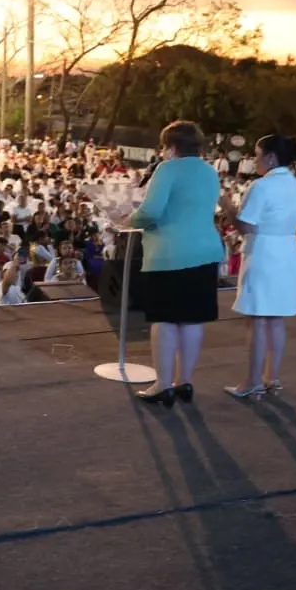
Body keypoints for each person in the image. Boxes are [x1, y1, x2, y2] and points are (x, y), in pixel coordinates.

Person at [116, 120, 223, 408]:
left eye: (164, 146)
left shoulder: (168, 169)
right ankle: (183, 381)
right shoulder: (210, 171)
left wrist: (126, 221)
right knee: (190, 319)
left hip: (170, 252)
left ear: (172, 147)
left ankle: (162, 384)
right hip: (205, 251)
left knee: (164, 319)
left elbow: (151, 211)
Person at [218, 134, 296, 400]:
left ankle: (251, 382)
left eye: (257, 154)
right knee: (275, 319)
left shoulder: (261, 186)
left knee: (256, 320)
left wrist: (227, 206)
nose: (253, 160)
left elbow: (245, 225)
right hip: (287, 251)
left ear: (270, 157)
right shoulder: (294, 183)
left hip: (264, 252)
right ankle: (271, 378)